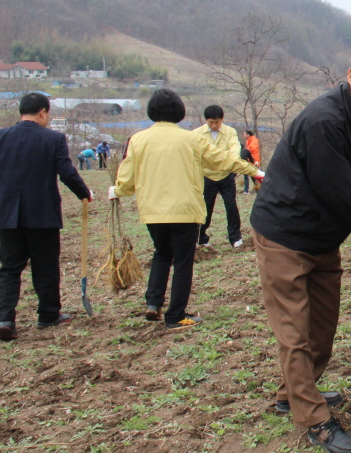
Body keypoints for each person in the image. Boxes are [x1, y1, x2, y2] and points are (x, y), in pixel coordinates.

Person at [250, 48, 351, 453]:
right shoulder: (324, 120)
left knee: (323, 324)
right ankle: (314, 419)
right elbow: (335, 189)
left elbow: (340, 167)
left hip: (322, 238)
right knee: (294, 331)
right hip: (285, 235)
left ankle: (293, 393)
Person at [111, 89, 262, 330]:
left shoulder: (138, 140)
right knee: (183, 261)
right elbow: (223, 160)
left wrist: (117, 190)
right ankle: (176, 315)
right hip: (185, 210)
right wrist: (255, 171)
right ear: (179, 112)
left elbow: (127, 179)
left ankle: (153, 303)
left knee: (161, 254)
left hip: (153, 210)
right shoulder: (191, 139)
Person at [0, 92, 92, 341]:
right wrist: (84, 193)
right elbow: (67, 172)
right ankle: (48, 314)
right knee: (45, 265)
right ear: (42, 112)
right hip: (41, 213)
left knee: (9, 267)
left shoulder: (2, 136)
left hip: (6, 213)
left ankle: (5, 319)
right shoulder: (53, 139)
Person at [192, 106, 245, 248]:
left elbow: (235, 150)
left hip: (226, 176)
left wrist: (231, 163)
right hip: (207, 176)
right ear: (206, 121)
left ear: (222, 119)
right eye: (211, 122)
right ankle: (201, 239)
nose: (214, 125)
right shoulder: (196, 134)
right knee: (205, 208)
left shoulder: (230, 132)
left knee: (231, 206)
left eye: (217, 122)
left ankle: (235, 238)